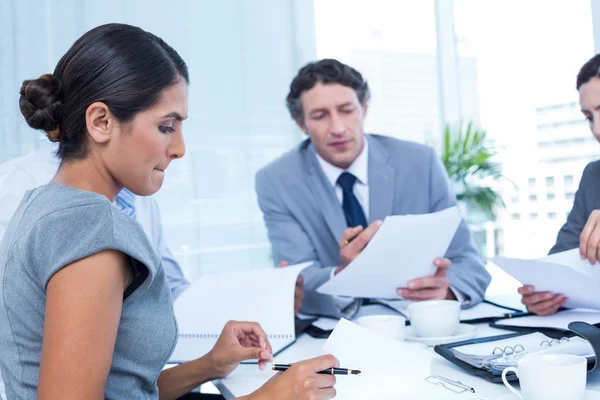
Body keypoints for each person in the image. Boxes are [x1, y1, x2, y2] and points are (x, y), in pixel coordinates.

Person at [0, 23, 336, 400]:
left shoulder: (44, 204)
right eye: (166, 127)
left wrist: (209, 364)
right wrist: (271, 396)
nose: (179, 148)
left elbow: (124, 390)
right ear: (101, 122)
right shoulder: (92, 232)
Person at [255, 59, 491, 318]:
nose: (338, 128)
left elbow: (470, 264)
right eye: (320, 116)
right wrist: (343, 277)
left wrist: (445, 292)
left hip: (418, 321)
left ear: (364, 108)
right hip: (334, 333)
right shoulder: (276, 181)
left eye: (347, 110)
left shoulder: (420, 163)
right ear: (301, 124)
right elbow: (298, 282)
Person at [519, 53, 600, 316]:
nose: (596, 130)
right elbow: (561, 264)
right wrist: (544, 294)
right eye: (589, 117)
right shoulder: (593, 177)